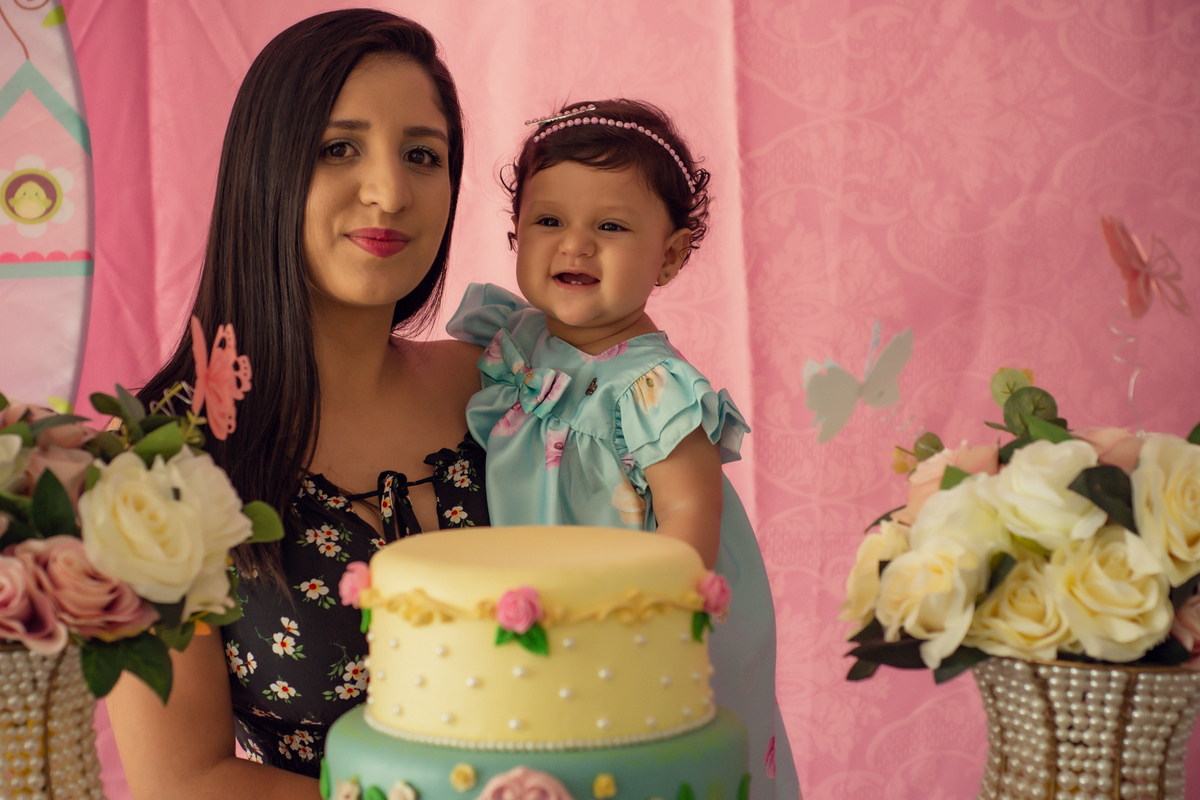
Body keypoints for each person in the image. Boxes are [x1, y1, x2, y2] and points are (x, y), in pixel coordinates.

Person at [105, 11, 486, 799]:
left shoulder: (502, 390)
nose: (390, 191)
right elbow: (185, 782)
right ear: (265, 168)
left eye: (424, 154)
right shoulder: (157, 459)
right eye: (337, 148)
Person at [447, 99, 800, 800]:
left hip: (646, 629)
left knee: (651, 772)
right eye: (549, 221)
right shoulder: (511, 343)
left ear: (668, 256)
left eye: (610, 226)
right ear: (516, 234)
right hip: (544, 611)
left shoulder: (651, 388)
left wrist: (651, 629)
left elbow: (690, 521)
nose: (574, 244)